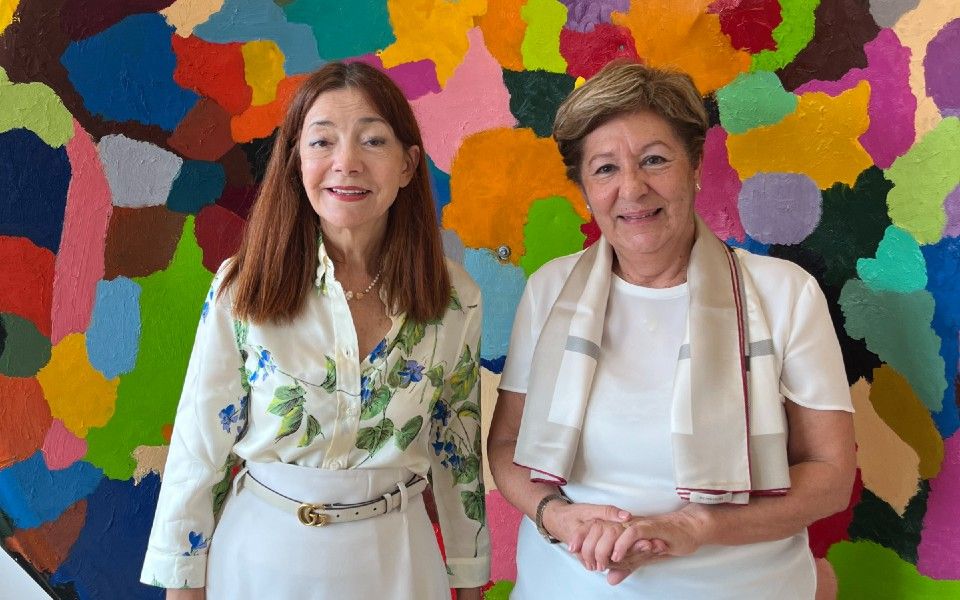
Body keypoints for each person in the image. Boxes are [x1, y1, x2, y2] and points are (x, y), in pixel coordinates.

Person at [487, 61, 855, 599]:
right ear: (584, 188)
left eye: (654, 160)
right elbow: (505, 443)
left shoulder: (785, 293)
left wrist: (695, 526)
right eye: (605, 169)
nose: (632, 188)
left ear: (695, 165)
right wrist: (557, 515)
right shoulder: (550, 290)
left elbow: (831, 474)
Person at [141, 62, 489, 600]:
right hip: (260, 562)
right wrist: (182, 584)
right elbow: (200, 444)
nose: (346, 163)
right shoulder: (244, 285)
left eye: (373, 141)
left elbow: (457, 448)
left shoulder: (453, 297)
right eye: (322, 141)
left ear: (407, 164)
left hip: (399, 564)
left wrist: (468, 577)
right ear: (296, 161)